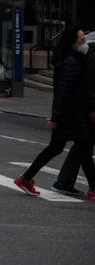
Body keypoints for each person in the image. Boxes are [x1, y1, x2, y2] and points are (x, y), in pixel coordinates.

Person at [13, 26, 95, 198]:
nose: (84, 43)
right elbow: (63, 91)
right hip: (72, 115)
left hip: (69, 114)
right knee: (85, 150)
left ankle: (26, 178)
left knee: (57, 148)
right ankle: (93, 189)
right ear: (72, 42)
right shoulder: (71, 62)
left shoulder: (70, 59)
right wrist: (56, 117)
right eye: (81, 40)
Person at [52, 34, 95, 197]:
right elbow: (90, 82)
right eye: (80, 40)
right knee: (83, 145)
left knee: (83, 145)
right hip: (85, 109)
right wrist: (91, 108)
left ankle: (65, 181)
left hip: (82, 109)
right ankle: (66, 181)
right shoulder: (89, 55)